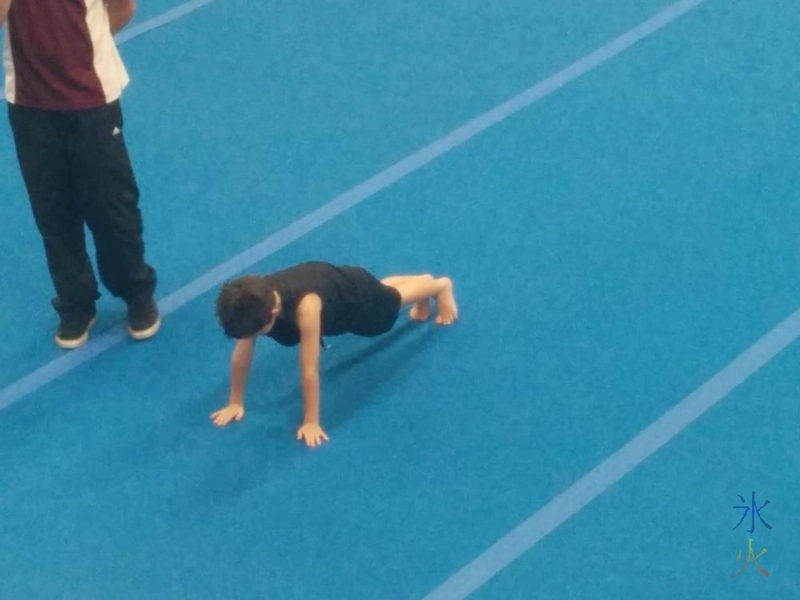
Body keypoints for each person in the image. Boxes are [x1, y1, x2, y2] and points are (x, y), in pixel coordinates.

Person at [1, 0, 160, 349]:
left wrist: (83, 55)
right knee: (52, 210)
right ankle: (75, 303)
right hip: (29, 104)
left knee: (112, 205)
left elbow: (123, 9)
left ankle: (135, 291)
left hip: (92, 100)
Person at [210, 262, 459, 447]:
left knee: (387, 310)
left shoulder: (306, 307)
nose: (254, 337)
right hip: (335, 282)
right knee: (383, 293)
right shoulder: (255, 299)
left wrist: (311, 421)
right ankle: (422, 283)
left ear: (274, 310)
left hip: (353, 296)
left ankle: (438, 287)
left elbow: (309, 369)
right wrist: (235, 401)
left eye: (257, 332)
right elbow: (241, 355)